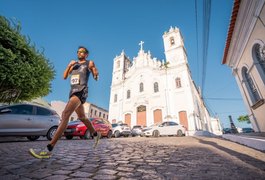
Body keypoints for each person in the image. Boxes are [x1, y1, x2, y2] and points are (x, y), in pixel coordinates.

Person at [29, 46, 100, 159]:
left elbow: (94, 70)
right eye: (78, 51)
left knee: (65, 114)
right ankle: (95, 134)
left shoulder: (89, 63)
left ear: (86, 54)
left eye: (82, 52)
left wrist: (96, 74)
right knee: (82, 117)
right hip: (72, 92)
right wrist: (69, 65)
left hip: (81, 91)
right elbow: (64, 76)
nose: (79, 53)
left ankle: (49, 148)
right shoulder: (74, 65)